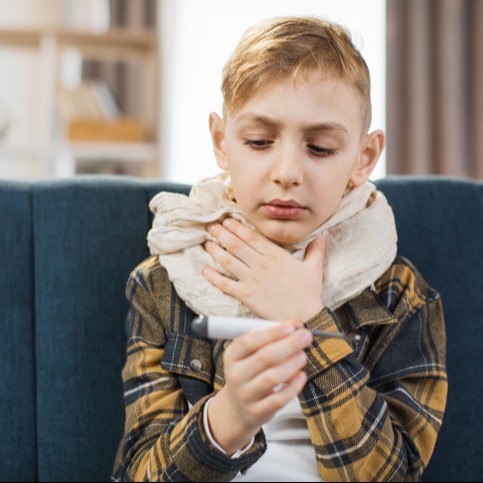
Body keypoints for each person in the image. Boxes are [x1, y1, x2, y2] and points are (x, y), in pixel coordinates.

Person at [112, 17, 447, 482]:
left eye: (322, 148)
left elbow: (390, 475)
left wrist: (309, 319)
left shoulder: (400, 295)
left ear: (363, 159)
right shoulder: (163, 282)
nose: (287, 171)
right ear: (221, 142)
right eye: (259, 142)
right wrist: (226, 418)